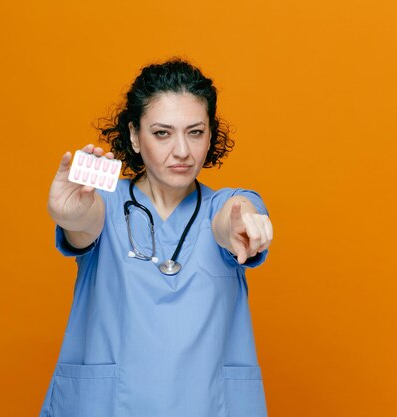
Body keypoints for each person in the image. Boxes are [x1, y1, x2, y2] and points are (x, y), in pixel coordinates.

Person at [40, 58, 274, 417]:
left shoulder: (224, 204)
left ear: (211, 134)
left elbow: (235, 216)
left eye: (195, 132)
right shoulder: (102, 198)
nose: (181, 151)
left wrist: (241, 225)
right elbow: (86, 223)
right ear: (134, 135)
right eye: (162, 133)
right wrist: (70, 215)